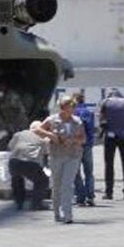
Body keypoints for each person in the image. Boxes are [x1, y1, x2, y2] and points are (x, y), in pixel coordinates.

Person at [39, 96, 85, 224]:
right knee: (57, 186)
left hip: (73, 156)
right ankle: (56, 212)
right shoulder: (52, 119)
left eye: (74, 107)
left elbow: (83, 139)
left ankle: (68, 214)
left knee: (67, 185)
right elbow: (37, 129)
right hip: (56, 156)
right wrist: (50, 135)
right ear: (63, 108)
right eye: (71, 107)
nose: (73, 109)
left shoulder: (77, 121)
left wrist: (74, 140)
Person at [98, 89, 124, 200]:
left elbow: (101, 118)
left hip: (110, 137)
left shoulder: (105, 102)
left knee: (109, 164)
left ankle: (109, 192)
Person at [5, 120, 50, 210]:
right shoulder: (42, 139)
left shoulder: (19, 134)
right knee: (42, 181)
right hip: (29, 163)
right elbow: (47, 152)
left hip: (14, 162)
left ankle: (19, 202)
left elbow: (10, 146)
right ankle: (36, 204)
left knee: (17, 179)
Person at [73, 91, 98, 206]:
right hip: (88, 144)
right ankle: (90, 196)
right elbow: (92, 129)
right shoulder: (90, 112)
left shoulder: (73, 113)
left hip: (76, 145)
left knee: (76, 172)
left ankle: (80, 197)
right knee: (89, 172)